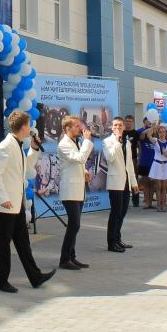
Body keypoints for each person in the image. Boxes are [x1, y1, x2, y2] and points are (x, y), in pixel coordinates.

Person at [0, 110, 54, 293]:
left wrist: (34, 149)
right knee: (4, 242)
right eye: (29, 125)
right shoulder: (6, 146)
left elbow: (24, 168)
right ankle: (1, 281)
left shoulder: (17, 145)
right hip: (7, 203)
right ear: (24, 126)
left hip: (17, 202)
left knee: (22, 241)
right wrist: (3, 198)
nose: (30, 129)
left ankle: (35, 276)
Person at [56, 116, 92, 270]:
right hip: (70, 191)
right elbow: (80, 157)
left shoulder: (74, 142)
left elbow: (76, 163)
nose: (80, 128)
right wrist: (87, 141)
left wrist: (84, 171)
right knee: (74, 225)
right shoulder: (64, 144)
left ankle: (72, 256)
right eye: (76, 126)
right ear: (67, 128)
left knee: (75, 226)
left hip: (78, 190)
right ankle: (64, 259)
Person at [103, 117, 137, 252]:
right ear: (112, 127)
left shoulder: (127, 143)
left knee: (122, 213)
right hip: (115, 182)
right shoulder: (107, 141)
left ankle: (118, 239)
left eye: (120, 125)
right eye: (115, 125)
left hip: (126, 181)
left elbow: (129, 164)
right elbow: (110, 158)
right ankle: (111, 243)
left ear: (123, 127)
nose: (118, 127)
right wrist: (117, 141)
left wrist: (134, 182)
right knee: (115, 213)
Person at [146, 124, 167, 212]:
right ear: (158, 133)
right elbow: (148, 135)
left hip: (165, 165)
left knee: (164, 187)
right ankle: (158, 205)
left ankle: (163, 205)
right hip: (157, 165)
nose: (162, 133)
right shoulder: (155, 141)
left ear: (166, 133)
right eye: (160, 132)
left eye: (163, 132)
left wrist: (166, 154)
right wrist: (154, 126)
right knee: (158, 186)